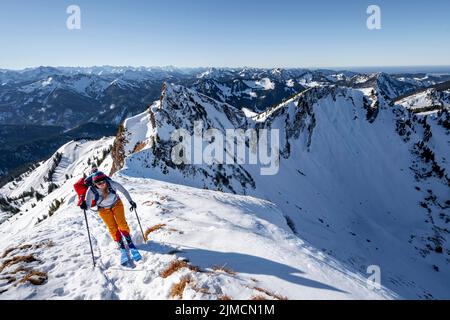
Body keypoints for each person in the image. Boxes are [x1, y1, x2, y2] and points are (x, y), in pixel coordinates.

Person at [80, 171, 140, 265]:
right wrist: (84, 206)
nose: (102, 184)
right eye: (99, 183)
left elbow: (123, 190)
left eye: (103, 181)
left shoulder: (111, 183)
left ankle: (128, 239)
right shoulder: (91, 190)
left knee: (122, 223)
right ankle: (120, 243)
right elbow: (87, 206)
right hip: (103, 209)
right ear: (94, 184)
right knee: (112, 227)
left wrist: (131, 201)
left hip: (117, 204)